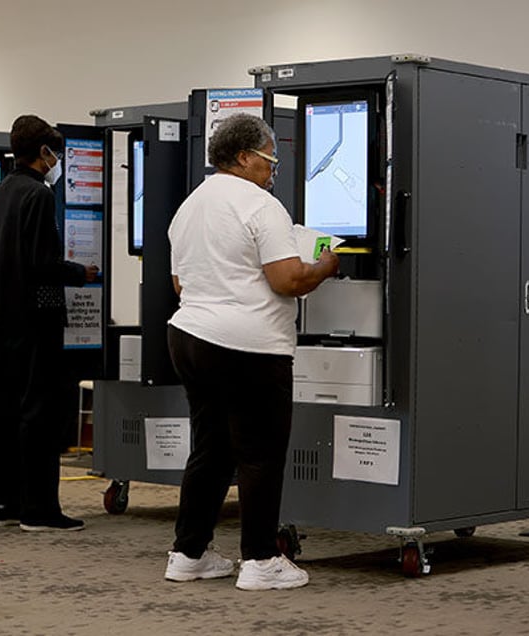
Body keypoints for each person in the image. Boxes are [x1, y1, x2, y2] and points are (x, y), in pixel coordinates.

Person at [163, 113, 339, 590]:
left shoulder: (190, 206)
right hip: (249, 346)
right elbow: (288, 280)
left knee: (211, 450)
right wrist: (323, 266)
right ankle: (260, 561)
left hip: (189, 337)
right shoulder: (261, 207)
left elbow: (180, 282)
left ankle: (188, 553)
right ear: (243, 157)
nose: (272, 170)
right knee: (260, 454)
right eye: (268, 160)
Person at [0, 115, 98, 531]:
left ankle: (1, 507)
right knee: (37, 414)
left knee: (0, 414)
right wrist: (81, 273)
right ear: (44, 152)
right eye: (56, 152)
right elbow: (41, 264)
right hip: (31, 319)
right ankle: (40, 510)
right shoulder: (38, 195)